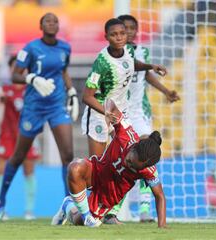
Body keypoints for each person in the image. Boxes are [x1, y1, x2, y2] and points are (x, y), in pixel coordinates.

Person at [0, 12, 79, 220]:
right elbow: (15, 74)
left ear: (58, 26)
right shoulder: (31, 48)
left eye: (55, 21)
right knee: (18, 156)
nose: (52, 23)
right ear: (41, 26)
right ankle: (0, 202)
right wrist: (32, 78)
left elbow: (64, 71)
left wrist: (72, 92)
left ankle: (67, 206)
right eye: (47, 21)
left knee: (67, 155)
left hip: (56, 105)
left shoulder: (64, 47)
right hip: (33, 107)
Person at [104, 14, 180, 223]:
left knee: (146, 151)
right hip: (121, 111)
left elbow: (146, 74)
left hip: (139, 111)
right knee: (125, 158)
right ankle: (115, 208)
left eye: (131, 28)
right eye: (124, 28)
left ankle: (145, 209)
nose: (128, 32)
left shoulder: (142, 51)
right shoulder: (112, 56)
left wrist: (165, 91)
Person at [52, 99, 167, 228]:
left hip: (108, 194)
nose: (128, 164)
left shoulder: (149, 171)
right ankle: (87, 217)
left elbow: (159, 196)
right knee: (75, 167)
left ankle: (68, 206)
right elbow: (110, 103)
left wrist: (162, 226)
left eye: (133, 167)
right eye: (129, 160)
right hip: (96, 170)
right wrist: (107, 111)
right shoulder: (126, 134)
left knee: (77, 221)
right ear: (134, 147)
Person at [81, 18, 167, 158]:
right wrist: (106, 112)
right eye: (114, 34)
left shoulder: (128, 49)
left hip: (120, 112)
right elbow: (86, 96)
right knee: (97, 164)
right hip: (100, 114)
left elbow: (131, 63)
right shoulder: (102, 63)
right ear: (107, 37)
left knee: (130, 153)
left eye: (122, 33)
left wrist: (150, 66)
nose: (119, 37)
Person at [0, 56, 41, 220]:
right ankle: (0, 209)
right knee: (0, 170)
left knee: (29, 171)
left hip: (27, 135)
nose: (19, 70)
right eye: (15, 67)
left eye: (21, 67)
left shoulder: (32, 90)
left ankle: (29, 211)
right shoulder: (5, 89)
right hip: (7, 135)